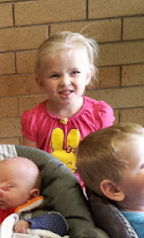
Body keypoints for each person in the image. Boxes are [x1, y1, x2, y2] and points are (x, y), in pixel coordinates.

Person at [20, 31, 115, 176]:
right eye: (55, 75)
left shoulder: (99, 114)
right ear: (41, 82)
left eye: (74, 72)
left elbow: (107, 160)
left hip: (90, 184)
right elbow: (30, 166)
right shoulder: (34, 120)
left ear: (87, 76)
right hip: (51, 185)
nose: (65, 82)